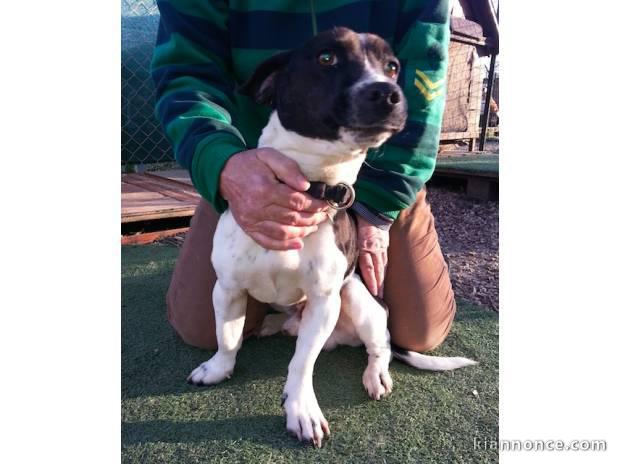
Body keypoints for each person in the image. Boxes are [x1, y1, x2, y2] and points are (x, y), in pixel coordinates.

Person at [151, 0, 456, 353]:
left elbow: (425, 82)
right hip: (253, 162)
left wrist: (379, 207)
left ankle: (296, 284)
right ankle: (277, 291)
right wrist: (224, 165)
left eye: (388, 68)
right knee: (202, 330)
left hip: (375, 165)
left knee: (418, 334)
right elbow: (186, 73)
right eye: (328, 60)